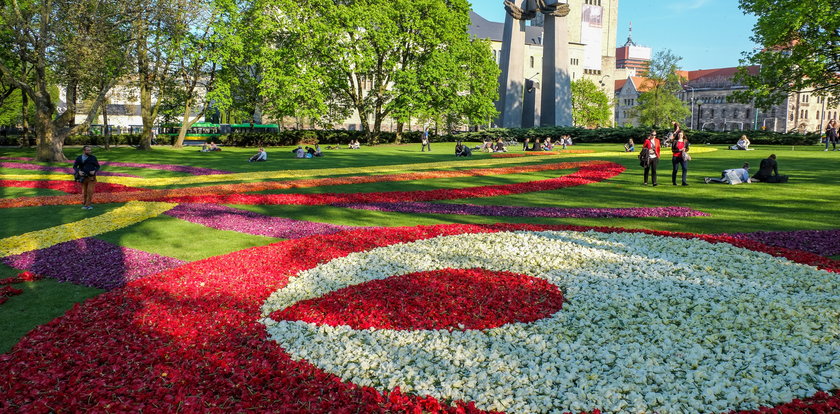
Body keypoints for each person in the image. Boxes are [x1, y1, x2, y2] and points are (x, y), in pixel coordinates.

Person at [73, 145, 100, 210]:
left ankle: (88, 205)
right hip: (82, 178)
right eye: (88, 150)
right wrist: (78, 171)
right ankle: (85, 204)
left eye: (90, 150)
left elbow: (98, 166)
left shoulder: (93, 158)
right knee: (84, 192)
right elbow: (75, 166)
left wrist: (94, 171)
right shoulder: (79, 158)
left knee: (90, 191)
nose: (89, 151)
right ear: (84, 151)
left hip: (91, 178)